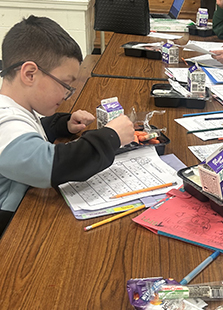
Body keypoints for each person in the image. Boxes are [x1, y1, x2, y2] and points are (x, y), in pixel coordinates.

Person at [0, 16, 135, 236]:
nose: (67, 94)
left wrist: (63, 125)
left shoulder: (15, 110)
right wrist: (111, 137)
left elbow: (32, 131)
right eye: (65, 84)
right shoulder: (4, 123)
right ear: (29, 74)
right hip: (8, 228)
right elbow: (53, 165)